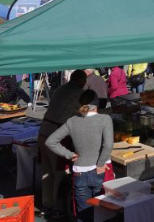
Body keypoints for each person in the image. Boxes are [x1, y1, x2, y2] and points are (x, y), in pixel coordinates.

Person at [46, 90, 114, 222]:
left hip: (79, 173)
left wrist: (69, 155)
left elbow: (50, 141)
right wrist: (100, 164)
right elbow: (108, 145)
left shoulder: (72, 121)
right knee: (103, 213)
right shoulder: (105, 119)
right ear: (97, 104)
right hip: (99, 171)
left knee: (83, 215)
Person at [39, 70, 88, 219]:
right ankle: (58, 207)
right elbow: (84, 114)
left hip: (43, 132)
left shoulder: (61, 88)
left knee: (47, 172)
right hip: (57, 135)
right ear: (81, 81)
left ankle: (47, 204)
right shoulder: (78, 93)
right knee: (59, 172)